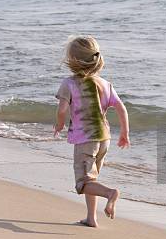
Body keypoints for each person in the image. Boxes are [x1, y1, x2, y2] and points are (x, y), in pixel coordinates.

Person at [54, 36, 130, 228]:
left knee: (83, 183)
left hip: (86, 140)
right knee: (92, 178)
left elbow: (62, 109)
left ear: (72, 60)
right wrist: (124, 133)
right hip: (104, 138)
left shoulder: (69, 84)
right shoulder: (105, 84)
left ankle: (110, 193)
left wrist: (59, 124)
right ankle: (91, 218)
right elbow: (121, 108)